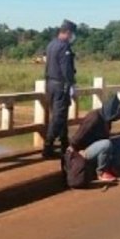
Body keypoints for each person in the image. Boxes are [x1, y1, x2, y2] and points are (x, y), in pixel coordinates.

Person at [68, 95, 120, 182]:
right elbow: (78, 136)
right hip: (84, 150)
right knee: (106, 144)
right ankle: (101, 172)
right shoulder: (94, 118)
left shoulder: (106, 120)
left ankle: (113, 168)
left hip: (97, 146)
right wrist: (75, 150)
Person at [43, 19, 77, 159]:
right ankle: (48, 147)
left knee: (60, 116)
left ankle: (64, 144)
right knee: (58, 117)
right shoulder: (64, 47)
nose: (73, 37)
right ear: (68, 32)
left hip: (50, 84)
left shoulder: (51, 44)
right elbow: (66, 69)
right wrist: (71, 84)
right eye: (72, 34)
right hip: (61, 85)